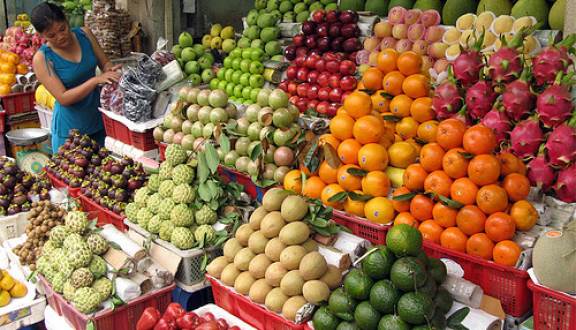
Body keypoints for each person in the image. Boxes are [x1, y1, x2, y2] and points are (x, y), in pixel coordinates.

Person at [31, 2, 121, 151]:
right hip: (70, 131)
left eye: (62, 29)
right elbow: (63, 97)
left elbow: (105, 63)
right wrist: (94, 81)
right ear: (41, 36)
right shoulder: (42, 59)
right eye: (52, 35)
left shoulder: (85, 34)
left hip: (98, 120)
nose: (60, 36)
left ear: (67, 20)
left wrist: (110, 71)